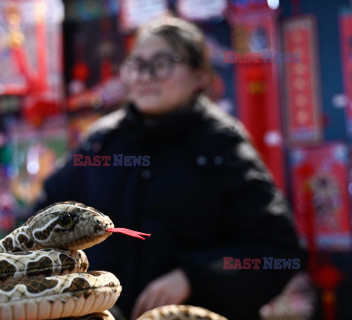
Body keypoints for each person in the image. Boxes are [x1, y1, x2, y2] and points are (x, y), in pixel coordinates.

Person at [33, 16, 306, 320]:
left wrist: (194, 276)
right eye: (137, 64)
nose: (146, 76)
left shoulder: (222, 147)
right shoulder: (101, 143)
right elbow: (40, 225)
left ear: (200, 76)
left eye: (163, 62)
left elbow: (277, 255)